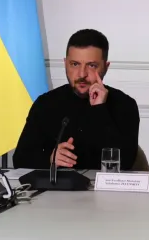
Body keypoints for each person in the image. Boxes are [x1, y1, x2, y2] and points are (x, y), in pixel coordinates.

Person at [13, 29, 140, 170]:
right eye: (75, 64)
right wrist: (50, 158)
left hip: (106, 191)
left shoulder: (124, 105)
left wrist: (100, 110)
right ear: (65, 63)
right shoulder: (46, 103)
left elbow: (125, 163)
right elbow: (20, 159)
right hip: (57, 191)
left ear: (106, 67)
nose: (82, 74)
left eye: (92, 66)